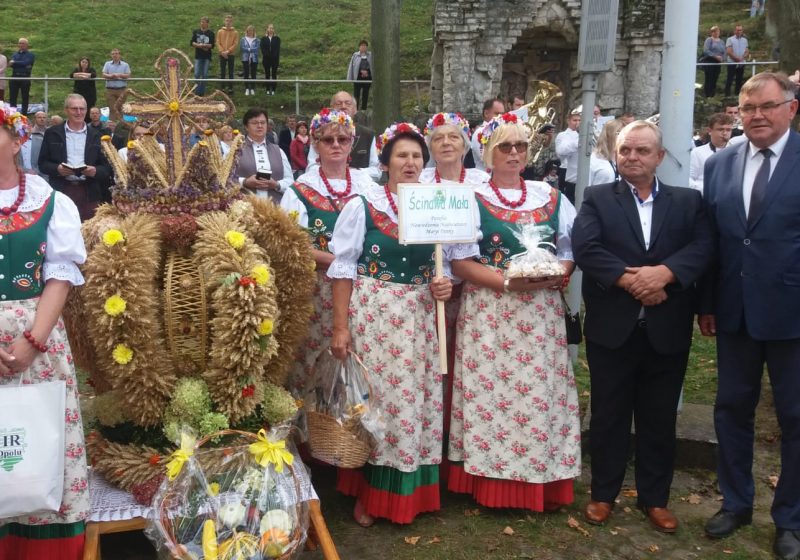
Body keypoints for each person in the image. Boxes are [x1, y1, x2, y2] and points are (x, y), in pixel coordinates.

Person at [572, 120, 713, 533]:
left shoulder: (689, 202)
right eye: (625, 151)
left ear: (660, 157)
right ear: (615, 155)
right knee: (608, 414)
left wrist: (665, 274)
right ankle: (603, 493)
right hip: (612, 327)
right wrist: (634, 280)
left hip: (666, 327)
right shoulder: (598, 198)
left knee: (658, 416)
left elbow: (703, 248)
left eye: (642, 151)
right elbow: (586, 247)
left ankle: (656, 498)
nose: (632, 157)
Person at [444, 113, 581, 513]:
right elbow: (460, 261)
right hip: (491, 311)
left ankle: (542, 477)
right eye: (505, 146)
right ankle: (488, 479)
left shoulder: (550, 196)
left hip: (539, 314)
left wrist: (557, 273)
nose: (514, 153)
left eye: (521, 145)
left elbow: (569, 248)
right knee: (492, 397)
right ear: (487, 154)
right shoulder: (470, 199)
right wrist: (506, 282)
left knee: (538, 396)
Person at [329, 122, 452, 526]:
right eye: (402, 155)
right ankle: (368, 493)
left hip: (419, 318)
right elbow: (344, 270)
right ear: (385, 162)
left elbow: (448, 264)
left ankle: (410, 494)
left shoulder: (436, 206)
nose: (411, 162)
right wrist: (340, 327)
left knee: (414, 404)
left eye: (417, 155)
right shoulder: (363, 206)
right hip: (376, 318)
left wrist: (443, 284)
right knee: (377, 405)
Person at [700, 72, 800, 560]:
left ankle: (791, 520)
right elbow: (715, 242)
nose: (757, 115)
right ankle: (736, 502)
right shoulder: (719, 164)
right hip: (734, 313)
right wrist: (707, 304)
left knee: (796, 417)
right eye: (747, 108)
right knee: (731, 410)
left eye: (767, 106)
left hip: (793, 314)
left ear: (791, 109)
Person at [0, 102, 90, 560]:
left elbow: (59, 276)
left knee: (37, 434)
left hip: (39, 337)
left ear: (18, 142)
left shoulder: (51, 201)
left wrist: (33, 340)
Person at [281, 109, 373, 395]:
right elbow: (291, 246)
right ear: (316, 145)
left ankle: (354, 430)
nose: (336, 145)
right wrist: (339, 261)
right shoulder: (299, 191)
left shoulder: (368, 186)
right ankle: (313, 429)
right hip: (318, 290)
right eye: (328, 139)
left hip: (363, 289)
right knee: (316, 362)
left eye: (343, 139)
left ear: (351, 144)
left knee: (359, 360)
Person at [38, 94, 112, 220]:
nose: (79, 112)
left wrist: (95, 171)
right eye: (74, 108)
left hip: (89, 192)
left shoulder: (97, 135)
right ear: (66, 110)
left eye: (82, 109)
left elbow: (107, 168)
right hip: (62, 190)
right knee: (61, 231)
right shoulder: (52, 133)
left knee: (89, 234)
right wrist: (57, 169)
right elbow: (42, 163)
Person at [307, 91, 381, 180]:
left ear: (355, 109)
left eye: (348, 103)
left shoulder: (368, 134)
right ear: (332, 108)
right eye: (338, 104)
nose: (343, 106)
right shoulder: (320, 131)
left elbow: (377, 170)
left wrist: (352, 172)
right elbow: (311, 167)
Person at [233, 107, 292, 203]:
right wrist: (245, 182)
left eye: (263, 122)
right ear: (246, 126)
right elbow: (224, 180)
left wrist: (276, 184)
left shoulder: (279, 151)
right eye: (255, 123)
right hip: (245, 210)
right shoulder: (235, 151)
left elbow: (290, 181)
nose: (260, 126)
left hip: (275, 210)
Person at [688, 113, 733, 193]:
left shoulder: (737, 152)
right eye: (720, 129)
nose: (725, 133)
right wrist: (707, 189)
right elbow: (689, 178)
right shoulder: (697, 152)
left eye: (728, 130)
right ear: (710, 131)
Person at [469, 98, 505, 172]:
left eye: (502, 114)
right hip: (484, 178)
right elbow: (486, 158)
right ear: (486, 113)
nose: (501, 117)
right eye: (497, 114)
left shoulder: (504, 130)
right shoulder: (479, 132)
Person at [555, 107, 581, 204]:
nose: (577, 123)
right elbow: (560, 152)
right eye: (574, 120)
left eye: (579, 120)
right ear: (568, 121)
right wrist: (579, 140)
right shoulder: (563, 135)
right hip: (566, 171)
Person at [589, 118, 623, 186]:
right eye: (620, 133)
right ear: (609, 135)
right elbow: (584, 188)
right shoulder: (593, 160)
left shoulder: (622, 158)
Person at [102, 49, 130, 122]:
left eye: (116, 53)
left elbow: (128, 75)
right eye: (113, 54)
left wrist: (120, 75)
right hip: (110, 90)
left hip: (122, 90)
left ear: (119, 55)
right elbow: (104, 74)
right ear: (111, 55)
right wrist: (111, 76)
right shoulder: (107, 64)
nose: (115, 55)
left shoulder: (125, 65)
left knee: (121, 108)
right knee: (112, 108)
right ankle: (112, 126)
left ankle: (121, 126)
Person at [9, 38, 35, 116]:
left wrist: (15, 62)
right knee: (13, 97)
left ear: (27, 45)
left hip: (25, 77)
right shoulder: (14, 54)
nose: (21, 45)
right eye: (20, 43)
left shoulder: (30, 55)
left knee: (25, 96)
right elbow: (11, 65)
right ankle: (12, 114)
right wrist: (20, 64)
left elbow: (27, 63)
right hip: (14, 76)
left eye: (23, 43)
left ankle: (24, 114)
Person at [191, 16, 215, 96]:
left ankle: (202, 92)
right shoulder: (196, 32)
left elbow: (212, 45)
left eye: (204, 22)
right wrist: (199, 46)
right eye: (201, 22)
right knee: (197, 74)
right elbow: (192, 43)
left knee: (205, 74)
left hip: (207, 57)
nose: (202, 23)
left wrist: (205, 46)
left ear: (207, 23)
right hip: (198, 56)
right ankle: (196, 92)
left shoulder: (211, 33)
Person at [347, 40, 373, 111]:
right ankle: (356, 109)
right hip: (357, 78)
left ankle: (364, 110)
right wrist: (350, 78)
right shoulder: (355, 55)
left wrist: (367, 72)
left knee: (365, 94)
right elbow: (352, 67)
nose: (363, 47)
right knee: (356, 95)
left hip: (367, 78)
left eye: (365, 46)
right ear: (359, 47)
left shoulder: (370, 55)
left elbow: (373, 66)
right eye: (362, 46)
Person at [724, 25, 750, 97]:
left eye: (740, 30)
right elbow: (729, 51)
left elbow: (747, 51)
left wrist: (742, 58)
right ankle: (727, 95)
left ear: (742, 31)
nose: (739, 31)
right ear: (734, 31)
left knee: (739, 78)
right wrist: (736, 59)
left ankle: (737, 94)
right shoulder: (730, 39)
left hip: (741, 62)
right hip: (732, 62)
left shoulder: (745, 40)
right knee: (730, 78)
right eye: (737, 30)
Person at [216, 14, 239, 94]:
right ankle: (222, 87)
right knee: (222, 71)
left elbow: (235, 43)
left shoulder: (235, 32)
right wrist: (222, 51)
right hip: (222, 54)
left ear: (232, 22)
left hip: (231, 54)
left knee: (231, 71)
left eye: (230, 21)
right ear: (224, 21)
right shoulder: (220, 31)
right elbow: (218, 42)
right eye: (227, 21)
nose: (228, 22)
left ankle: (230, 88)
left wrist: (228, 51)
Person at [702, 26, 726, 98]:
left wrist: (722, 58)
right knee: (709, 78)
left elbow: (724, 51)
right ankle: (707, 94)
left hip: (718, 62)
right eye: (715, 31)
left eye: (718, 31)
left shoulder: (721, 41)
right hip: (710, 61)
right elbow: (706, 51)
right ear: (712, 32)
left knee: (715, 78)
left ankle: (712, 94)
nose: (717, 33)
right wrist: (715, 56)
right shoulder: (709, 40)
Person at [260, 24, 280, 96]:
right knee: (267, 74)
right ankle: (268, 89)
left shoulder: (277, 39)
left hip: (275, 59)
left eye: (272, 28)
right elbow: (263, 49)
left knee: (274, 74)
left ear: (274, 30)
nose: (271, 29)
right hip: (266, 59)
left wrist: (273, 56)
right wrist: (267, 55)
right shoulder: (263, 39)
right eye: (269, 28)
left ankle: (274, 89)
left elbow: (277, 49)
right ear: (267, 29)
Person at [240, 25, 260, 97]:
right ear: (247, 31)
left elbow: (257, 49)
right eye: (249, 31)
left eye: (252, 31)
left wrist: (249, 49)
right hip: (245, 58)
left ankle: (252, 88)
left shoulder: (257, 40)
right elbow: (242, 48)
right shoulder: (243, 39)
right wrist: (249, 50)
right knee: (246, 73)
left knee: (253, 73)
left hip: (254, 58)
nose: (250, 32)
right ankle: (247, 88)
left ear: (254, 32)